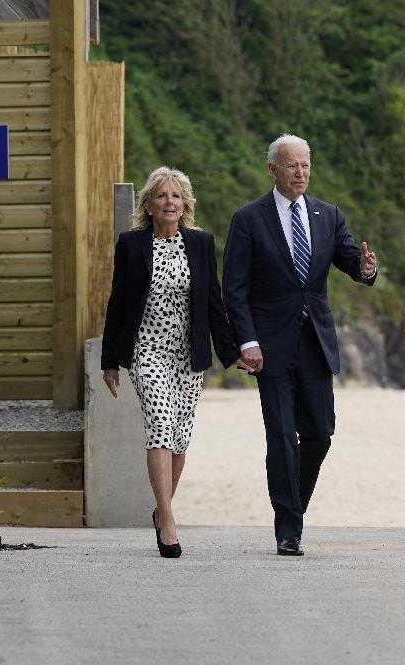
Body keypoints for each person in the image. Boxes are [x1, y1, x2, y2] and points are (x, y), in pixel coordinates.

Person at [222, 134, 378, 556]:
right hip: (268, 346)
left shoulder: (327, 215)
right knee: (280, 436)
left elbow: (349, 261)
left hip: (315, 342)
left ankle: (292, 507)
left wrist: (365, 269)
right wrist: (247, 341)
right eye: (291, 165)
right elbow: (234, 289)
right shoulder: (249, 218)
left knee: (320, 434)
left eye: (305, 165)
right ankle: (288, 528)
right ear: (273, 169)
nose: (300, 172)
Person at [101, 166, 240, 558]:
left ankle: (162, 513)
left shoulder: (199, 244)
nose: (169, 202)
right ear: (148, 204)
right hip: (147, 350)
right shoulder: (131, 245)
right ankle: (168, 519)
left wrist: (232, 354)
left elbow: (213, 303)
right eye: (162, 196)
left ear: (185, 204)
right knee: (160, 425)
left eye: (176, 196)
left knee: (179, 438)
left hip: (187, 355)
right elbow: (118, 302)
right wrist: (110, 360)